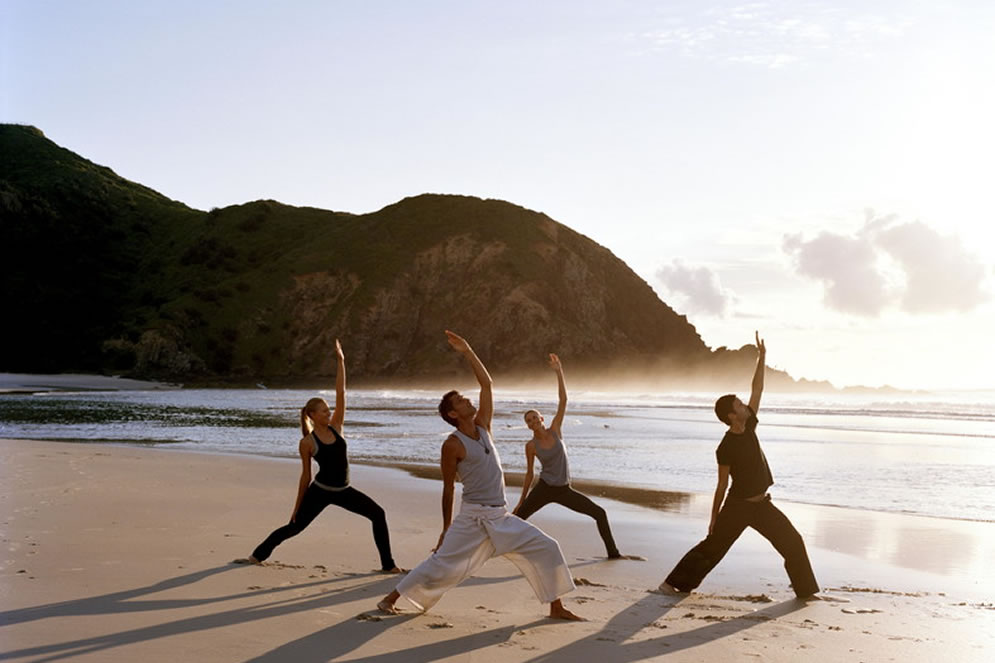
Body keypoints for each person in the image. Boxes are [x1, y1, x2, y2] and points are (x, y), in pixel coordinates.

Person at [378, 331, 582, 620]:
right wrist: (445, 528)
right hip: (472, 518)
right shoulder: (452, 445)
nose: (468, 401)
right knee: (440, 563)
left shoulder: (484, 426)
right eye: (461, 401)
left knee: (547, 546)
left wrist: (468, 350)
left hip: (500, 516)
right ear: (452, 413)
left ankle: (556, 607)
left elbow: (487, 383)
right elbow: (448, 489)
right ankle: (390, 599)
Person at [658, 332, 819, 599]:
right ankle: (672, 584)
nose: (745, 404)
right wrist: (714, 518)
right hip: (737, 507)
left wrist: (762, 357)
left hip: (762, 505)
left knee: (793, 541)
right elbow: (721, 485)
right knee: (713, 548)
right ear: (732, 415)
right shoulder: (725, 447)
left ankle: (806, 592)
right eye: (739, 404)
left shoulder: (750, 425)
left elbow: (758, 389)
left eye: (742, 403)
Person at [234, 340, 403, 573]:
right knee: (294, 527)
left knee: (378, 514)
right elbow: (305, 476)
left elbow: (341, 392)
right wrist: (297, 506)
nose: (329, 412)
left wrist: (341, 361)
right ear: (313, 415)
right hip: (320, 491)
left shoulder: (337, 427)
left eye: (328, 409)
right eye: (324, 410)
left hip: (344, 490)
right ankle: (257, 555)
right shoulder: (307, 443)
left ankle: (388, 565)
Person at [514, 353, 632, 560]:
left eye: (534, 418)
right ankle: (497, 548)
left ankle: (613, 553)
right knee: (517, 518)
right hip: (544, 488)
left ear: (541, 418)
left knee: (600, 513)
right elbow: (529, 474)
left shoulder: (555, 430)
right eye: (529, 421)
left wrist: (559, 371)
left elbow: (563, 400)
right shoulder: (531, 446)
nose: (533, 422)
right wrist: (521, 500)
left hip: (563, 490)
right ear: (528, 426)